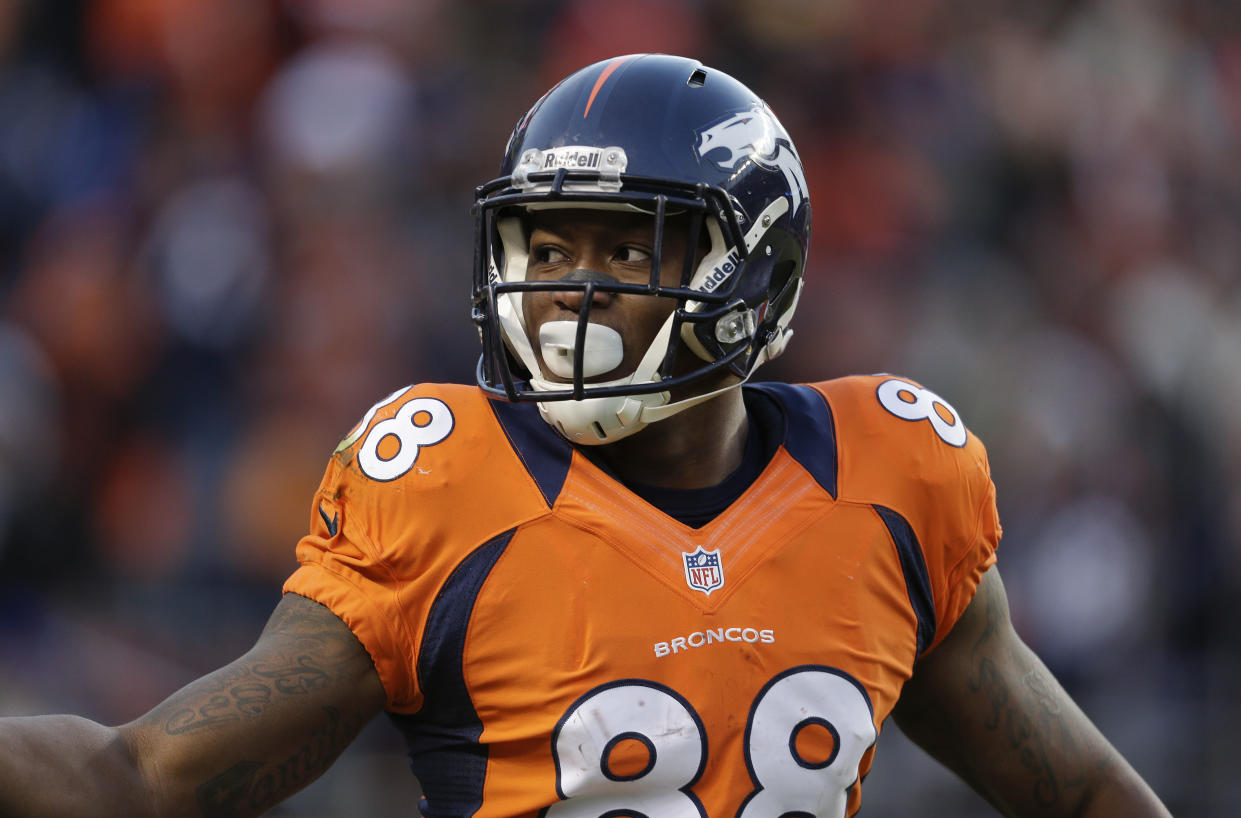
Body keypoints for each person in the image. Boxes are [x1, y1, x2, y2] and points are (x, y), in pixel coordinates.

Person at [0, 54, 1171, 818]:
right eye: (546, 250)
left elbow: (1079, 790)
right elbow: (144, 775)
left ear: (753, 276)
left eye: (624, 249)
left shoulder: (892, 477)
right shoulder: (449, 484)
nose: (570, 292)